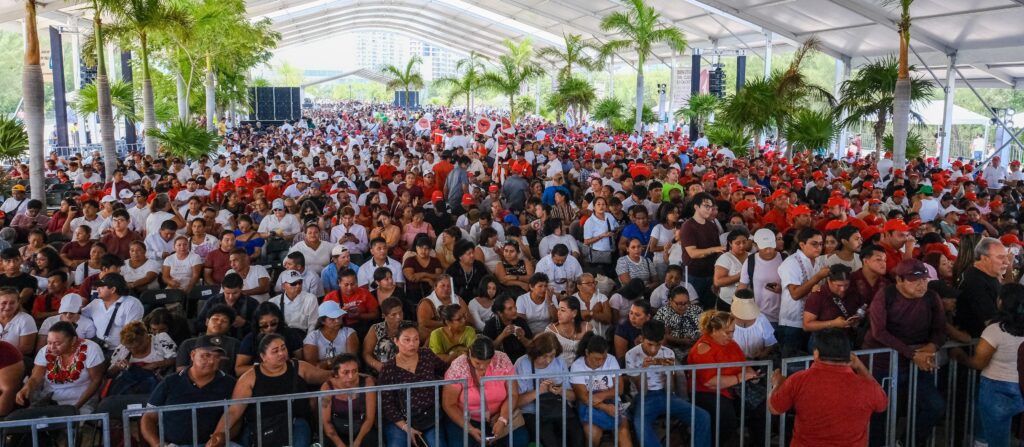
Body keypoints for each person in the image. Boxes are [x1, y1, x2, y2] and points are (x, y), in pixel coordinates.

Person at [863, 259, 947, 447]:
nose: (921, 285)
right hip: (883, 363)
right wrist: (912, 354)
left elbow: (940, 329)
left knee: (935, 406)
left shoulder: (932, 297)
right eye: (914, 280)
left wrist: (932, 347)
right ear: (899, 280)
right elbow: (879, 332)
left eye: (924, 280)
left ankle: (909, 441)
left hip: (916, 362)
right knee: (880, 410)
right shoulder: (885, 295)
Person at [768, 329, 888, 447]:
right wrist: (860, 367)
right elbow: (882, 403)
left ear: (816, 354)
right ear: (849, 355)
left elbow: (775, 408)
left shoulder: (798, 380)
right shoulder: (867, 387)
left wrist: (777, 384)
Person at [207, 334, 330, 447]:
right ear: (263, 357)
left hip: (296, 424)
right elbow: (233, 411)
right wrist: (217, 435)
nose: (282, 353)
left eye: (283, 348)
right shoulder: (249, 377)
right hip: (261, 428)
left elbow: (328, 377)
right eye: (275, 351)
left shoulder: (299, 367)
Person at [950, 283, 1024, 447]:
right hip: (1020, 385)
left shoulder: (995, 331)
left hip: (996, 388)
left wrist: (960, 356)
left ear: (1000, 302)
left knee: (995, 439)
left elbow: (979, 362)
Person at [142, 322, 237, 446]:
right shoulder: (171, 382)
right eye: (206, 355)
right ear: (192, 355)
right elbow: (148, 418)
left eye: (217, 357)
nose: (211, 361)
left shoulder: (229, 383)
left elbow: (236, 419)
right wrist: (158, 444)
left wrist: (223, 437)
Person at [687, 310, 767, 446]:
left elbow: (743, 363)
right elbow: (709, 382)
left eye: (733, 331)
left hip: (734, 388)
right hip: (707, 392)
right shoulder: (703, 348)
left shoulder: (731, 344)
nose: (731, 336)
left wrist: (752, 374)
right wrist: (739, 377)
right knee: (727, 419)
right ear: (713, 331)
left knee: (764, 408)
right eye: (727, 332)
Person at [627, 320, 711, 447]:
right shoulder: (632, 355)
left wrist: (668, 373)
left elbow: (670, 389)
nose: (654, 349)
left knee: (703, 417)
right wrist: (643, 370)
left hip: (666, 395)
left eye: (658, 345)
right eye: (649, 344)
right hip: (645, 397)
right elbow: (642, 391)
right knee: (640, 424)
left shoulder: (668, 353)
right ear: (641, 339)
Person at [442, 336, 527, 447]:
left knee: (520, 440)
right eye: (477, 363)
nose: (482, 367)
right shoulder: (458, 367)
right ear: (469, 354)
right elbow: (449, 404)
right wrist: (470, 429)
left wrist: (503, 419)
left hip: (499, 415)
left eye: (487, 362)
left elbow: (513, 394)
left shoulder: (502, 359)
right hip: (466, 418)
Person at [378, 321, 447, 447]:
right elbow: (387, 404)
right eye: (407, 340)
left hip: (430, 416)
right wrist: (405, 426)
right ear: (396, 341)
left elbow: (446, 371)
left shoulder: (427, 355)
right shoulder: (388, 368)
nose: (412, 344)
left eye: (416, 339)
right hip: (400, 420)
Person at [17, 321, 105, 413]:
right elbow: (35, 378)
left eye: (57, 343)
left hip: (82, 401)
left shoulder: (91, 349)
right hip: (49, 400)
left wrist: (75, 407)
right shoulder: (44, 351)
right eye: (49, 342)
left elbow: (96, 381)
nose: (52, 347)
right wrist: (26, 388)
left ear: (73, 340)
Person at [512, 332, 582, 447]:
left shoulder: (559, 362)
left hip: (558, 409)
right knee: (551, 441)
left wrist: (559, 390)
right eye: (545, 356)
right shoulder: (522, 364)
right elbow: (516, 401)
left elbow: (573, 396)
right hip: (532, 413)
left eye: (552, 355)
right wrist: (539, 391)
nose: (549, 360)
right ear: (535, 352)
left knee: (577, 435)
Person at [569, 334, 632, 447]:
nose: (600, 362)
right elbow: (583, 397)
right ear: (587, 353)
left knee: (623, 433)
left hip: (612, 401)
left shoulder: (611, 360)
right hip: (588, 405)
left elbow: (620, 388)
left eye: (604, 358)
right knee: (593, 434)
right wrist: (604, 407)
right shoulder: (577, 366)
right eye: (596, 359)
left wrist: (601, 396)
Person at [777, 228, 829, 357]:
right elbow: (795, 294)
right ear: (802, 245)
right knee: (791, 364)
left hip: (812, 322)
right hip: (792, 323)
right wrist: (817, 277)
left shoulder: (818, 261)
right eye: (814, 244)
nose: (819, 247)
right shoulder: (791, 263)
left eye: (821, 244)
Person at [320, 353, 380, 447]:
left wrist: (357, 443)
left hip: (362, 429)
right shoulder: (327, 387)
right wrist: (340, 445)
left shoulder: (367, 382)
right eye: (345, 372)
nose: (351, 376)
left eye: (354, 371)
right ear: (336, 374)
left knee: (371, 440)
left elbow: (369, 419)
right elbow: (326, 422)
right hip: (337, 431)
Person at [803, 264, 866, 349]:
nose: (843, 289)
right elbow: (807, 325)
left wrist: (856, 320)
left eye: (846, 285)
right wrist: (833, 323)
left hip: (846, 341)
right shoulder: (818, 295)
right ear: (829, 281)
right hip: (822, 343)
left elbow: (862, 309)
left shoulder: (853, 292)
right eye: (838, 285)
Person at [956, 237, 1008, 338]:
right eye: (1001, 257)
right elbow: (990, 321)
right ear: (985, 258)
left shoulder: (991, 275)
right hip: (981, 343)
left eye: (1006, 257)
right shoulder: (974, 281)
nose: (1007, 262)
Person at [235, 302, 305, 376]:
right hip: (260, 377)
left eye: (273, 323)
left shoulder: (290, 334)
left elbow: (300, 361)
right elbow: (239, 370)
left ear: (279, 320)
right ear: (258, 324)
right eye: (264, 325)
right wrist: (267, 367)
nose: (269, 328)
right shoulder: (250, 339)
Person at [680, 192, 725, 308]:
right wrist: (714, 249)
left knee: (710, 307)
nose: (709, 209)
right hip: (694, 275)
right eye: (706, 206)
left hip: (711, 273)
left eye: (711, 207)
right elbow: (693, 253)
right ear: (696, 206)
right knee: (693, 308)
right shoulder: (688, 226)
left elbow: (718, 251)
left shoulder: (712, 225)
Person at [81, 273, 144, 352]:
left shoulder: (132, 304)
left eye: (102, 287)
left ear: (113, 289)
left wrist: (121, 354)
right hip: (99, 347)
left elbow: (132, 333)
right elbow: (79, 317)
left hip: (124, 350)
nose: (97, 290)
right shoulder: (95, 303)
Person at [107, 320, 177, 386]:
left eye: (136, 347)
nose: (132, 350)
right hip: (131, 388)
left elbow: (175, 359)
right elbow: (109, 374)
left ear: (146, 337)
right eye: (129, 347)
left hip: (157, 386)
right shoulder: (122, 348)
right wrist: (117, 367)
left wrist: (157, 364)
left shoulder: (161, 339)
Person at [195, 273, 259, 340]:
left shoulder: (252, 303)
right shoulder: (213, 301)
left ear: (241, 287)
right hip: (214, 340)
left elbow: (260, 328)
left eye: (235, 293)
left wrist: (245, 323)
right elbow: (197, 325)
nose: (231, 297)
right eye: (227, 293)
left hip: (240, 342)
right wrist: (210, 324)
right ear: (223, 288)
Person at [304, 301, 358, 369]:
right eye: (332, 319)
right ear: (322, 321)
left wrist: (327, 362)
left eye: (339, 317)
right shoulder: (312, 338)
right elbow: (312, 367)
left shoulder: (349, 333)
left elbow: (351, 360)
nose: (337, 321)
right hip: (321, 375)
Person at [363, 297, 409, 374]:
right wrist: (377, 365)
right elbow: (366, 353)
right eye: (393, 315)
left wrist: (422, 349)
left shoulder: (409, 326)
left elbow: (430, 334)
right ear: (384, 316)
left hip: (406, 371)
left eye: (400, 313)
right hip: (381, 372)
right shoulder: (375, 329)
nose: (398, 317)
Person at [713, 229, 750, 307]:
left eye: (744, 242)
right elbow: (718, 282)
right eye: (738, 243)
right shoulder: (725, 258)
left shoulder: (751, 257)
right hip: (728, 302)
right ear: (730, 244)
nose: (742, 246)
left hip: (748, 301)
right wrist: (742, 275)